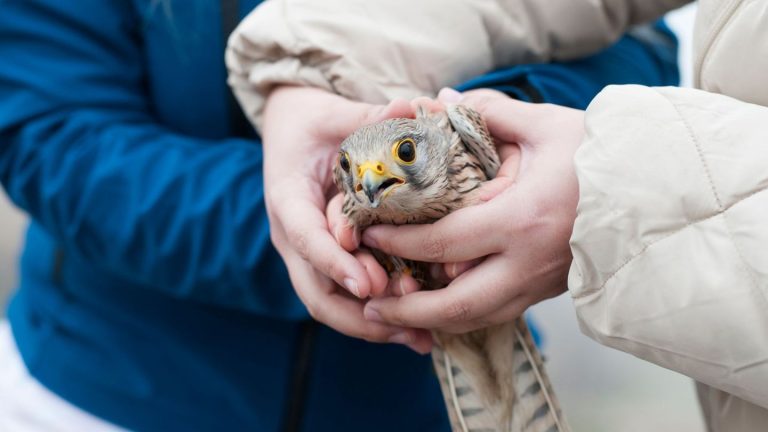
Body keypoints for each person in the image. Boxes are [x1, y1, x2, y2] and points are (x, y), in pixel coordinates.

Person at [0, 2, 674, 432]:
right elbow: (54, 134)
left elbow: (634, 39)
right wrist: (331, 230)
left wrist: (487, 132)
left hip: (431, 401)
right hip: (106, 392)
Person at [284, 1, 766, 431]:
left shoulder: (460, 132)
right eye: (353, 171)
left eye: (404, 153)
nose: (370, 179)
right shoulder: (355, 200)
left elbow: (645, 42)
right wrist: (291, 81)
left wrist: (596, 185)